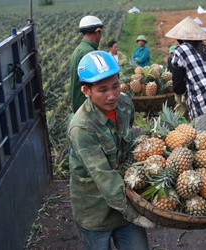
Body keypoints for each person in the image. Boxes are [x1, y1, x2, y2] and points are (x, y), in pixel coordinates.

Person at [68, 50, 157, 249]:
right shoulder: (82, 128)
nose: (112, 95)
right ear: (86, 91)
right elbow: (104, 176)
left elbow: (128, 143)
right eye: (102, 89)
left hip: (125, 197)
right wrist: (135, 214)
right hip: (95, 210)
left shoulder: (124, 103)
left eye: (116, 86)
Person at [165, 16, 206, 133]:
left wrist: (179, 98)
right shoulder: (204, 50)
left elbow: (178, 84)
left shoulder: (180, 50)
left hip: (204, 102)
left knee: (204, 148)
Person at [70, 15, 103, 114]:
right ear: (97, 32)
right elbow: (97, 81)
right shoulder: (88, 52)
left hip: (80, 104)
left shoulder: (80, 48)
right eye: (100, 32)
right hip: (87, 106)